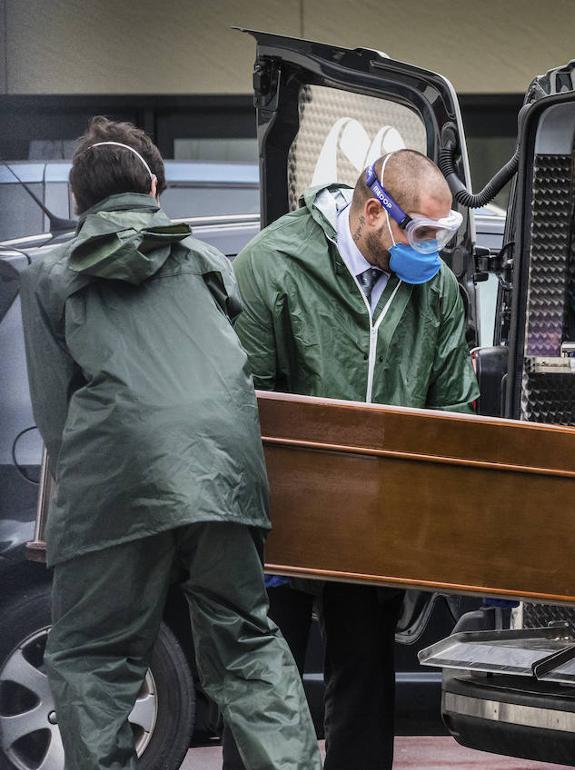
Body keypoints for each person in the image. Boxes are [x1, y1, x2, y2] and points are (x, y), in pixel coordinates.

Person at [20, 117, 320, 770]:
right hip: (225, 476)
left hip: (114, 480)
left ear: (76, 197)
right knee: (247, 645)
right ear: (154, 188)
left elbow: (55, 415)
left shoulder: (49, 275)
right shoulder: (208, 263)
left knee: (94, 660)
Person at [221, 148, 478, 770]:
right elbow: (245, 405)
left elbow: (451, 413)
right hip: (281, 518)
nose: (431, 251)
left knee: (364, 683)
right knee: (264, 684)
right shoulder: (273, 264)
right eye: (421, 233)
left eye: (440, 236)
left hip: (374, 524)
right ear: (373, 213)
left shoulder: (436, 290)